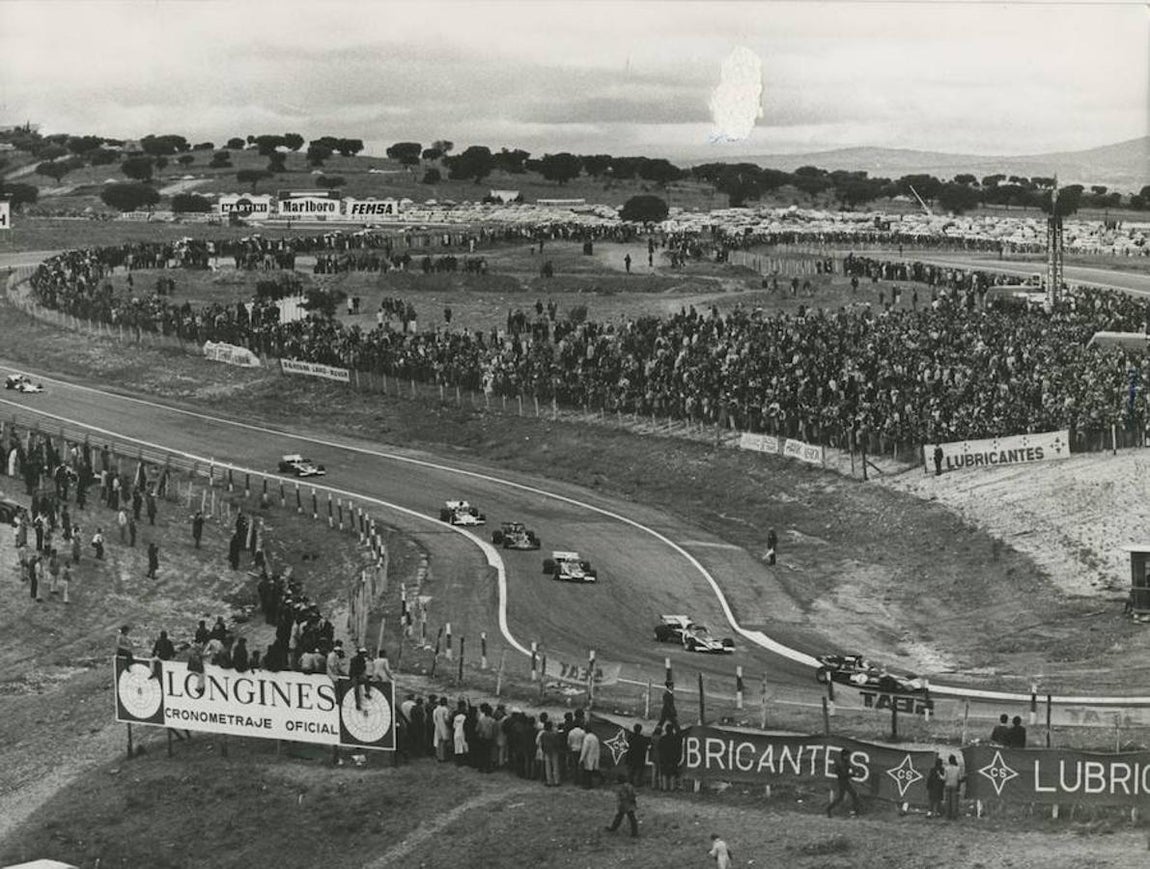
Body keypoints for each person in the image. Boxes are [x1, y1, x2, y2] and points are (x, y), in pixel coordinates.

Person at [826, 750, 861, 817]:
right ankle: (855, 812)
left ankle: (829, 809)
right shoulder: (841, 764)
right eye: (848, 756)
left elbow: (848, 769)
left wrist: (853, 771)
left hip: (844, 781)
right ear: (845, 756)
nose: (849, 757)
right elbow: (844, 774)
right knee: (852, 795)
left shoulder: (844, 762)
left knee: (842, 797)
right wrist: (853, 774)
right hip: (843, 782)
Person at [605, 773, 638, 837]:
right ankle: (634, 832)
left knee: (620, 817)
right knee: (631, 818)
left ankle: (614, 828)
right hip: (629, 804)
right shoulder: (629, 786)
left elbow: (622, 796)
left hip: (624, 804)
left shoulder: (621, 787)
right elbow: (633, 794)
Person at [943, 754, 963, 820]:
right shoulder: (958, 768)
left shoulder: (946, 768)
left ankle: (947, 815)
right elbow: (959, 778)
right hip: (955, 785)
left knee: (948, 801)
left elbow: (944, 778)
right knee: (954, 802)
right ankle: (954, 816)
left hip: (947, 785)